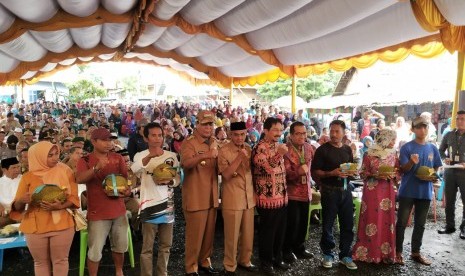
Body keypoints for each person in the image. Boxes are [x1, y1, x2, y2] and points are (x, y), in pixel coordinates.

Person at [10, 141, 79, 276]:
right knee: (40, 262)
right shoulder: (27, 177)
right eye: (50, 155)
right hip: (35, 226)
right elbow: (17, 207)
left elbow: (73, 198)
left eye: (56, 154)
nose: (55, 158)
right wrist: (21, 200)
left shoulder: (66, 171)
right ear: (38, 157)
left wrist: (60, 206)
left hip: (62, 224)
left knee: (61, 260)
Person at [76, 128, 131, 276]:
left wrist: (127, 191)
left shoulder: (118, 158)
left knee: (120, 246)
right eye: (104, 140)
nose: (109, 143)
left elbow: (126, 181)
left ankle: (119, 271)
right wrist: (96, 168)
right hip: (97, 213)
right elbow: (79, 179)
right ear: (94, 141)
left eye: (110, 140)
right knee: (95, 250)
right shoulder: (85, 160)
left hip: (119, 210)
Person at [131, 122, 179, 276]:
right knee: (147, 248)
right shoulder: (140, 156)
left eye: (160, 135)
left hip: (168, 205)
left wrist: (170, 181)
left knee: (166, 246)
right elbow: (134, 170)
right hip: (148, 205)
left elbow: (177, 178)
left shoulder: (171, 156)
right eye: (153, 135)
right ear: (146, 138)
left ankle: (162, 273)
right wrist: (150, 156)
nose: (157, 139)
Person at [395, 117, 442, 266]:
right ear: (413, 129)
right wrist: (411, 162)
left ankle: (416, 252)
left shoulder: (433, 148)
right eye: (419, 127)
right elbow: (402, 170)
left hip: (425, 192)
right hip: (407, 191)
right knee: (401, 223)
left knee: (420, 224)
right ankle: (398, 252)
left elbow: (436, 168)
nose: (423, 130)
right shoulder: (406, 147)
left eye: (425, 127)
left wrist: (433, 176)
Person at [312, 120, 358, 270]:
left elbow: (350, 169)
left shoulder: (347, 150)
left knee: (347, 224)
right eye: (332, 131)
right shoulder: (322, 150)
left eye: (337, 131)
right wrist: (332, 173)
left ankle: (345, 254)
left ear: (344, 133)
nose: (333, 134)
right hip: (329, 191)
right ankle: (328, 254)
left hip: (346, 191)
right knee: (328, 224)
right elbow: (315, 172)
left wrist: (351, 173)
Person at [180, 110, 220, 275]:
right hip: (196, 196)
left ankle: (205, 262)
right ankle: (191, 267)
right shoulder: (189, 143)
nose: (208, 127)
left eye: (211, 124)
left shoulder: (214, 142)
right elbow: (186, 163)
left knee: (209, 234)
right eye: (205, 124)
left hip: (211, 195)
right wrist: (209, 154)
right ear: (197, 124)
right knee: (195, 236)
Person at [352, 129, 400, 264]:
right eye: (391, 139)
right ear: (383, 139)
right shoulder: (369, 154)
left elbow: (398, 171)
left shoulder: (393, 154)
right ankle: (369, 253)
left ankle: (385, 254)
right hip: (372, 192)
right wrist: (375, 175)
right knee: (372, 219)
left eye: (394, 139)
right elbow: (362, 173)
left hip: (387, 192)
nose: (393, 142)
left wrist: (393, 175)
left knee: (385, 220)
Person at [218, 122, 257, 275]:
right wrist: (239, 158)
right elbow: (226, 175)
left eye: (242, 134)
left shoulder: (248, 148)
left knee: (248, 235)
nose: (239, 138)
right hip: (233, 198)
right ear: (230, 134)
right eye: (236, 134)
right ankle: (229, 265)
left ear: (246, 133)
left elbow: (252, 172)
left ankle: (245, 260)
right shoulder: (224, 151)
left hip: (248, 197)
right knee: (232, 235)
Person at [252, 117, 289, 275]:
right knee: (268, 232)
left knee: (280, 231)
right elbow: (267, 168)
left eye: (280, 130)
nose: (278, 133)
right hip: (267, 198)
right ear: (265, 130)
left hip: (281, 196)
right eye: (275, 130)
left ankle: (277, 258)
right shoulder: (259, 147)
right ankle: (265, 263)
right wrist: (279, 155)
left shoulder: (278, 146)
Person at [282, 122, 315, 263]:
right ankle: (287, 250)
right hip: (292, 193)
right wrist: (297, 172)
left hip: (306, 191)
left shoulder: (309, 148)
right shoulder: (285, 150)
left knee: (303, 223)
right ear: (291, 135)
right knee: (292, 223)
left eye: (304, 133)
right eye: (298, 133)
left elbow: (314, 168)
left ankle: (300, 248)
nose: (302, 136)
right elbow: (283, 174)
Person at [438, 110, 465, 239]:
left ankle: (464, 228)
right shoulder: (448, 134)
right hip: (450, 171)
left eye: (463, 119)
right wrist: (444, 158)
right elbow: (441, 150)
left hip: (464, 173)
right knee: (449, 200)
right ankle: (449, 226)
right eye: (458, 119)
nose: (460, 121)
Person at [0, 157, 21, 227]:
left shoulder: (24, 179)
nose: (17, 170)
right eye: (13, 168)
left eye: (18, 167)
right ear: (4, 170)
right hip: (5, 214)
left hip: (22, 212)